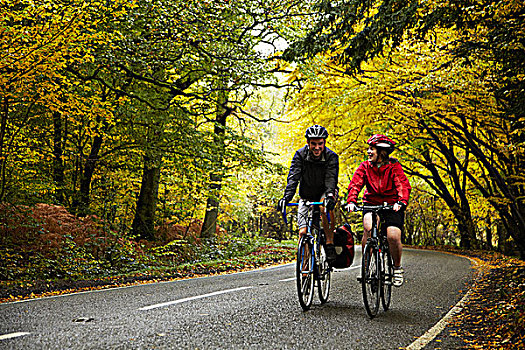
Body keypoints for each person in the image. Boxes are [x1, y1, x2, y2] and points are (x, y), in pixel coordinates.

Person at [346, 134, 411, 287]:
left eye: (372, 149)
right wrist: (351, 201)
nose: (369, 152)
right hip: (371, 203)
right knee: (368, 227)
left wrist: (401, 202)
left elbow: (402, 185)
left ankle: (396, 268)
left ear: (382, 152)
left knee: (393, 236)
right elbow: (356, 184)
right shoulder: (365, 166)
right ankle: (366, 265)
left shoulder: (394, 166)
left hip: (392, 204)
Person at [277, 125, 339, 263]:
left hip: (326, 191)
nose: (317, 147)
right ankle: (304, 268)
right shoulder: (300, 155)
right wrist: (286, 197)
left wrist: (329, 196)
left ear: (324, 143)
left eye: (320, 144)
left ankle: (329, 243)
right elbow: (293, 177)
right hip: (307, 194)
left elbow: (331, 178)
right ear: (308, 143)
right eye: (313, 144)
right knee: (303, 232)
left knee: (324, 207)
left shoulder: (331, 156)